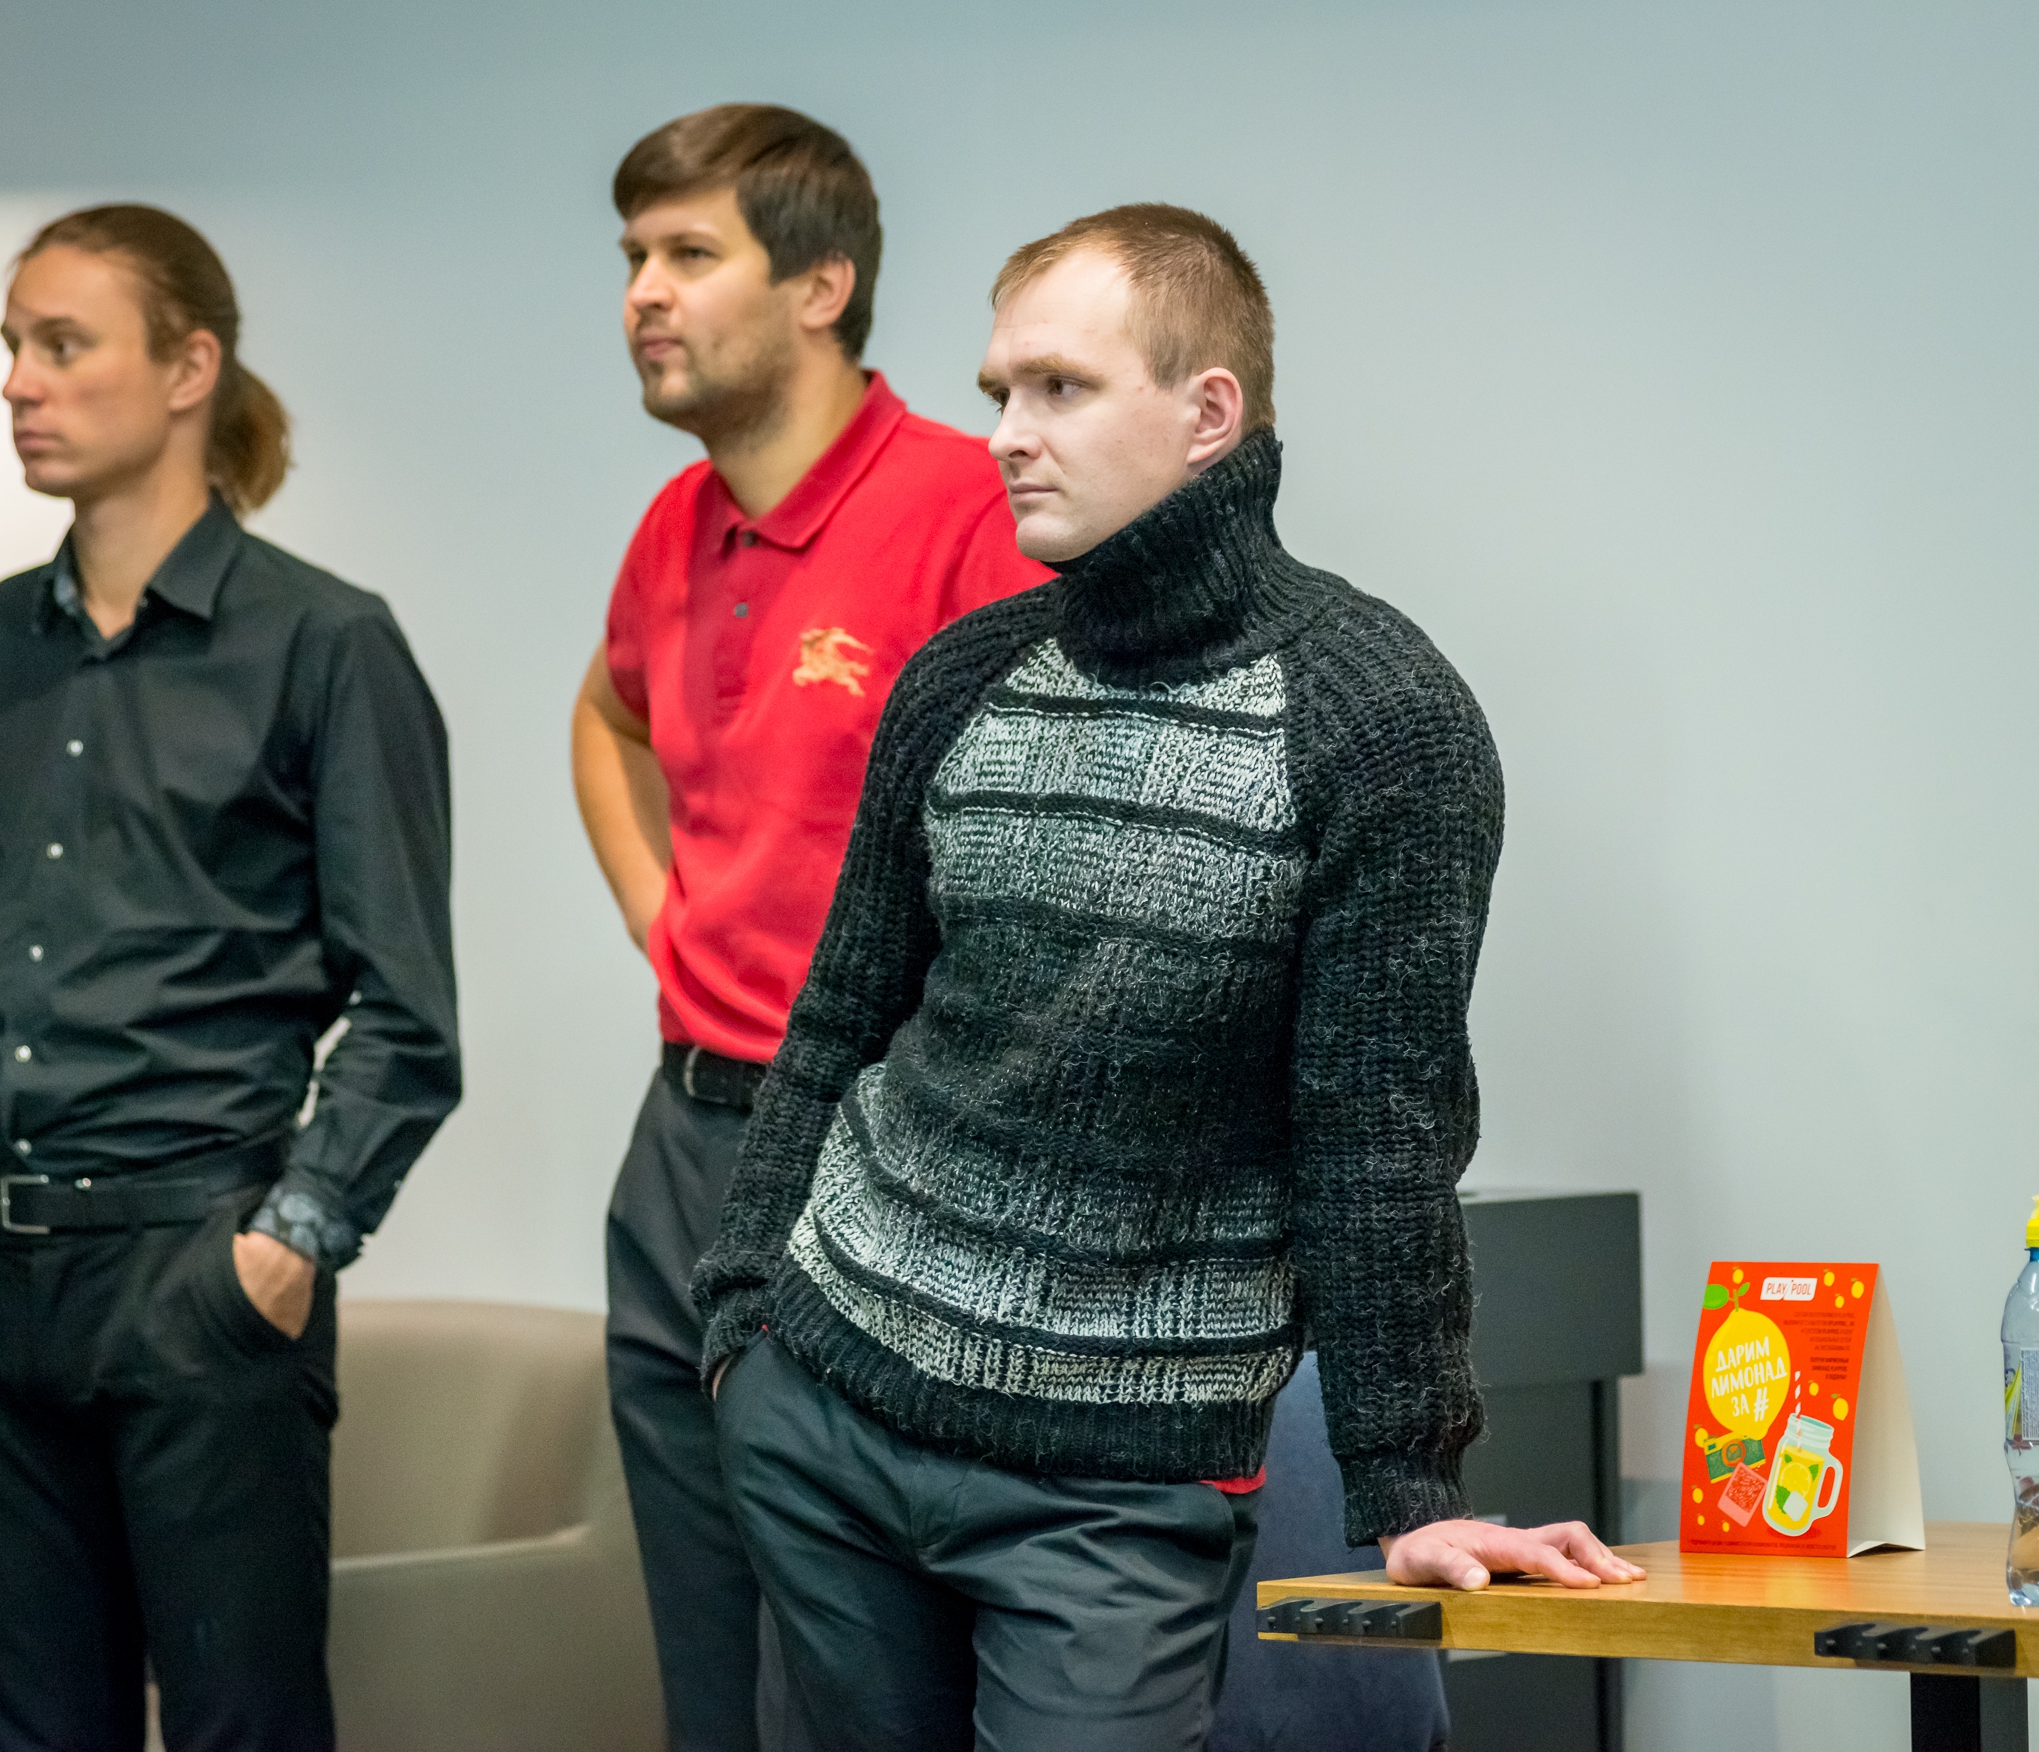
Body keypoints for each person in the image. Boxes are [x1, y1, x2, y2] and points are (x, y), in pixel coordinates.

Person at [695, 204, 1643, 1751]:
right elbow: (840, 1024)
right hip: (826, 1410)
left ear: (1209, 412)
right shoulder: (962, 678)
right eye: (1001, 390)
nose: (1006, 434)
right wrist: (742, 1318)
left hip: (1113, 1486)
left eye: (1059, 389)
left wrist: (1410, 1489)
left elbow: (1379, 1129)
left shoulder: (1378, 718)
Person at [0, 205, 461, 1752]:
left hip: (197, 1274)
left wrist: (292, 1241)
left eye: (62, 344)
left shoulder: (326, 642)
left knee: (241, 1730)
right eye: (11, 348)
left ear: (187, 368)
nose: (18, 383)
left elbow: (407, 1014)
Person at [571, 104, 1049, 1751]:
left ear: (820, 286)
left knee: (846, 1681)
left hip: (868, 1146)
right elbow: (606, 720)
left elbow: (1040, 836)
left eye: (689, 254)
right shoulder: (675, 523)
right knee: (708, 1669)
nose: (644, 291)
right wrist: (670, 927)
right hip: (680, 1139)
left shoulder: (966, 511)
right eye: (634, 256)